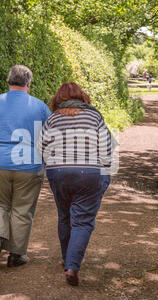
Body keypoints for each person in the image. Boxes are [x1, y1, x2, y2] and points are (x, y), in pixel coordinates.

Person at [0, 65, 51, 267]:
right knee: (22, 209)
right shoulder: (40, 106)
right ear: (29, 84)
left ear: (8, 81)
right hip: (29, 165)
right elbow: (51, 136)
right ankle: (16, 255)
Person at [37, 82, 113, 286]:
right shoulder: (94, 116)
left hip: (58, 172)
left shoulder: (52, 119)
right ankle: (72, 266)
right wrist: (104, 178)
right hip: (88, 172)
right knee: (83, 220)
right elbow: (107, 148)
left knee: (64, 215)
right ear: (82, 97)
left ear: (57, 99)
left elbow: (41, 147)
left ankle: (66, 258)